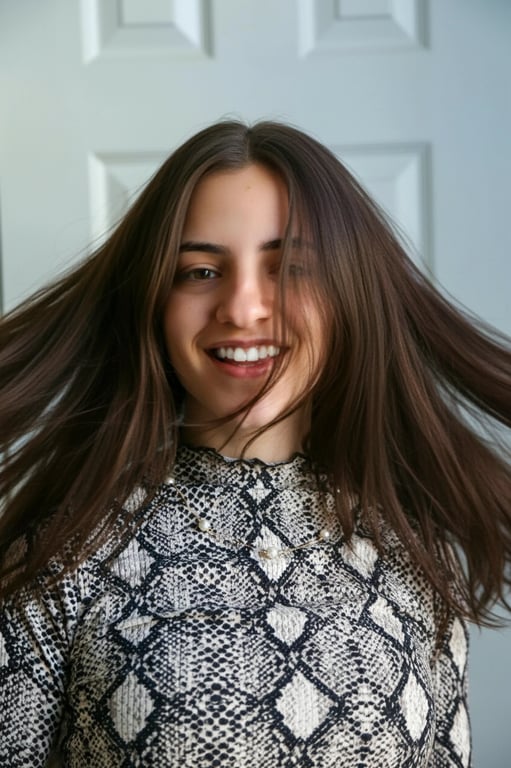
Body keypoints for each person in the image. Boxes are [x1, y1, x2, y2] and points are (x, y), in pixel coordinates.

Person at [0, 119, 510, 768]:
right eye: (201, 270)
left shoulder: (414, 550)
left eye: (290, 266)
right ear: (153, 301)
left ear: (347, 296)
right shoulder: (60, 561)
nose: (243, 307)